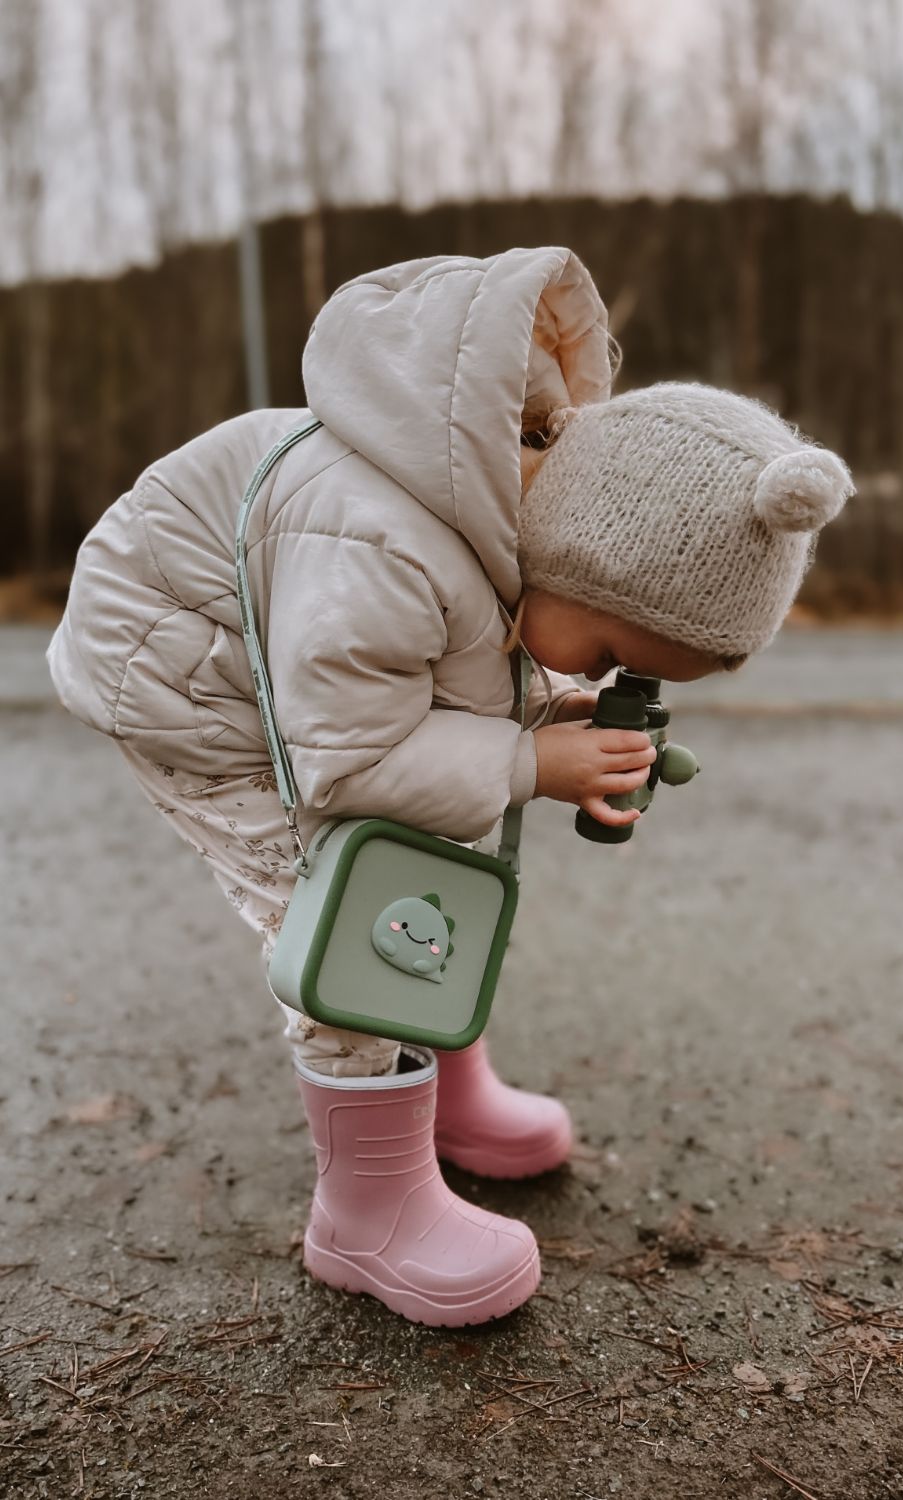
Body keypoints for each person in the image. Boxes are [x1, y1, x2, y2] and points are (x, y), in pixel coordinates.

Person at [47, 247, 853, 1327]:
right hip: (197, 691)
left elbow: (454, 687)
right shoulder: (388, 547)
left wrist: (545, 728)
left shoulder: (499, 522)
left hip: (316, 683)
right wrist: (527, 761)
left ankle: (443, 1090)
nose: (603, 679)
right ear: (584, 560)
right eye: (613, 654)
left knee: (445, 846)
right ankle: (364, 1210)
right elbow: (350, 759)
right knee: (343, 899)